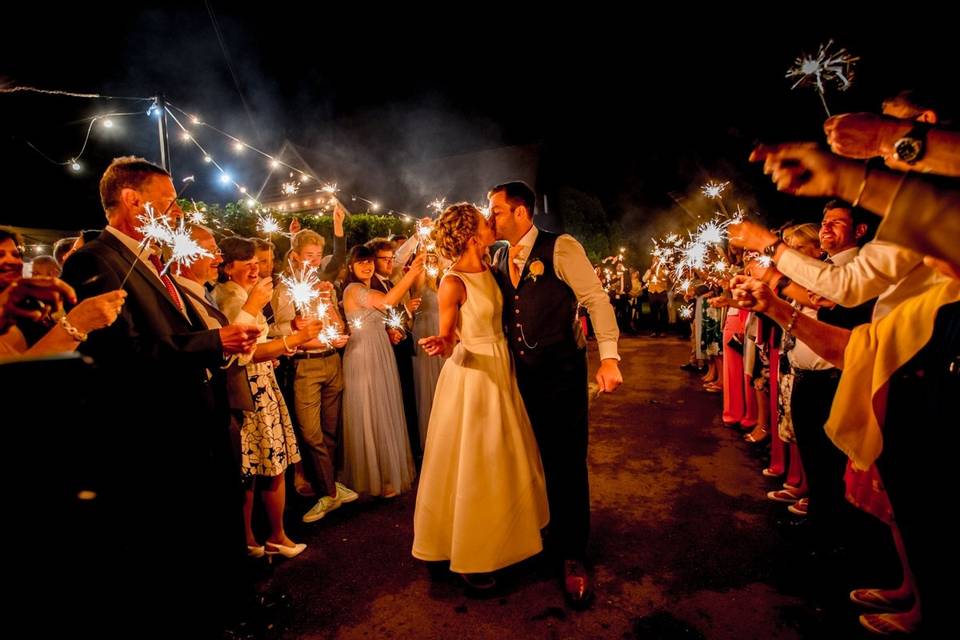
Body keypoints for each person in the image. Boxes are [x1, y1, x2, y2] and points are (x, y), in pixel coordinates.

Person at [59, 156, 262, 634]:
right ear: (132, 200)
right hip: (158, 432)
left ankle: (225, 610)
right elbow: (119, 354)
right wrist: (215, 341)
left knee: (210, 530)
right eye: (167, 201)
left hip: (200, 420)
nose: (174, 213)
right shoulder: (96, 259)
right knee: (174, 545)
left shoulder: (152, 261)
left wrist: (221, 343)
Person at [487, 181, 622, 607]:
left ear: (522, 212)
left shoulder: (560, 247)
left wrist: (610, 357)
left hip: (561, 372)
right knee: (528, 458)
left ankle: (573, 555)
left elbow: (596, 300)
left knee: (566, 461)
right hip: (517, 375)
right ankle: (538, 533)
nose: (491, 218)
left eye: (497, 211)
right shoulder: (498, 254)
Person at [413, 203, 548, 590]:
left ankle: (508, 535)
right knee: (477, 460)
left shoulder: (492, 269)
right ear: (473, 236)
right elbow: (451, 332)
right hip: (473, 373)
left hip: (501, 364)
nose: (493, 225)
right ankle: (472, 553)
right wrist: (442, 340)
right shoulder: (453, 281)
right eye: (485, 222)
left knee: (504, 456)